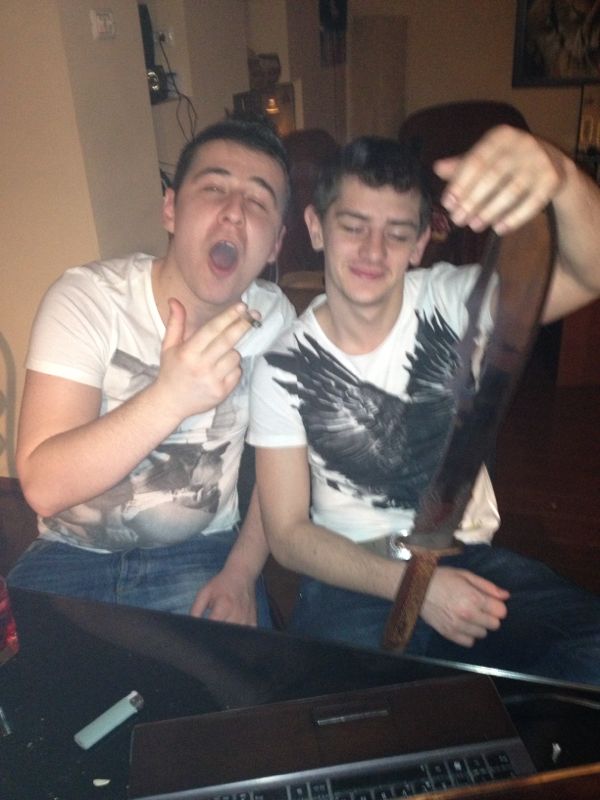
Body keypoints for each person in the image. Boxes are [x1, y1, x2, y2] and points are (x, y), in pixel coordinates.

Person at [248, 127, 600, 683]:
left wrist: (560, 173)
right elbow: (289, 535)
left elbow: (591, 272)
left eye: (396, 233)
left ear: (418, 244)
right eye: (353, 226)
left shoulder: (454, 300)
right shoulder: (281, 366)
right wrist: (418, 589)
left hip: (463, 554)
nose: (373, 251)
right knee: (341, 714)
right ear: (316, 228)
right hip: (352, 574)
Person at [8, 113, 296, 627]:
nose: (234, 212)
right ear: (171, 209)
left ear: (275, 243)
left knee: (247, 680)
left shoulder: (273, 319)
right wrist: (170, 397)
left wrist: (242, 572)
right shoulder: (87, 299)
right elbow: (44, 487)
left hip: (201, 554)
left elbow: (280, 470)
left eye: (257, 201)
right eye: (214, 188)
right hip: (69, 555)